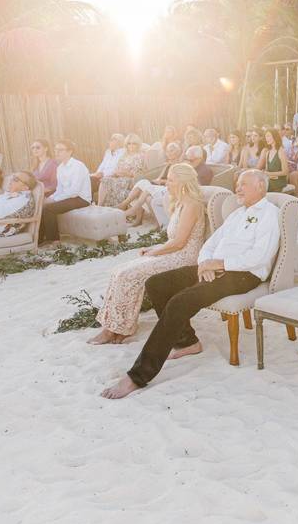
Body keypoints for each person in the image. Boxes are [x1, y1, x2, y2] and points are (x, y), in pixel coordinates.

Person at [100, 170, 281, 399]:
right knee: (157, 283)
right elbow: (211, 242)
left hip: (243, 274)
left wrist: (219, 263)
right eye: (237, 184)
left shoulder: (269, 215)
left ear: (261, 187)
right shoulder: (237, 214)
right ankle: (188, 342)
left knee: (179, 302)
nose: (238, 188)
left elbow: (260, 256)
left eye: (244, 184)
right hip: (213, 266)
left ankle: (138, 376)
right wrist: (206, 262)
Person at [89, 163, 208, 344]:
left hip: (185, 257)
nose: (167, 183)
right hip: (174, 252)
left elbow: (180, 242)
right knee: (119, 271)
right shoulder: (180, 203)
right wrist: (153, 250)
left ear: (183, 182)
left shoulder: (192, 205)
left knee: (129, 275)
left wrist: (155, 252)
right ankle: (116, 327)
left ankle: (117, 329)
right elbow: (173, 240)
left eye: (171, 180)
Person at [40, 140, 92, 244]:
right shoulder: (60, 168)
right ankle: (40, 238)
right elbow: (60, 189)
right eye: (56, 150)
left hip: (81, 199)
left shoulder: (78, 166)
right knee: (42, 205)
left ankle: (54, 240)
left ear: (70, 152)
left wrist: (54, 200)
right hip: (69, 197)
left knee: (49, 209)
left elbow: (74, 191)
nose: (57, 152)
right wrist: (50, 198)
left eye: (60, 150)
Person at [119, 142, 183, 225]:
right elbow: (159, 178)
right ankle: (128, 207)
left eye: (172, 151)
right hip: (159, 186)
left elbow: (178, 181)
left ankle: (130, 209)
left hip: (167, 189)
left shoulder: (179, 165)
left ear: (177, 152)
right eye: (168, 151)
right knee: (142, 183)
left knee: (146, 189)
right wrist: (155, 181)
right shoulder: (168, 165)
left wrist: (161, 181)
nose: (169, 153)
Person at [98, 134, 147, 207]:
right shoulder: (124, 155)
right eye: (129, 143)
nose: (131, 145)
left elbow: (136, 173)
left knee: (113, 182)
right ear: (126, 145)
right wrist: (115, 173)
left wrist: (124, 173)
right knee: (105, 180)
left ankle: (118, 208)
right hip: (119, 177)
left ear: (138, 144)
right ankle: (100, 206)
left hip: (130, 180)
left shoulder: (140, 156)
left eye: (134, 143)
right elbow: (117, 168)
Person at [257, 128, 290, 193]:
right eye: (266, 136)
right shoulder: (268, 152)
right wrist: (264, 172)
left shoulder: (281, 151)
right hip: (270, 179)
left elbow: (285, 171)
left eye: (268, 136)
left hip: (279, 181)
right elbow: (267, 170)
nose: (267, 138)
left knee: (260, 186)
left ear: (275, 136)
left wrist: (269, 174)